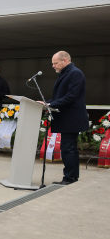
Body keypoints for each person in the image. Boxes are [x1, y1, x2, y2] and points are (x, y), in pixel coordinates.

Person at [45, 51, 88, 185]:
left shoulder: (75, 73)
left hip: (71, 118)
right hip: (68, 118)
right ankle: (72, 176)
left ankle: (69, 177)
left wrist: (51, 104)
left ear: (65, 61)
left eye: (55, 63)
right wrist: (46, 103)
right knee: (70, 148)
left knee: (68, 148)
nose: (53, 66)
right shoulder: (66, 73)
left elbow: (71, 96)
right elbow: (60, 97)